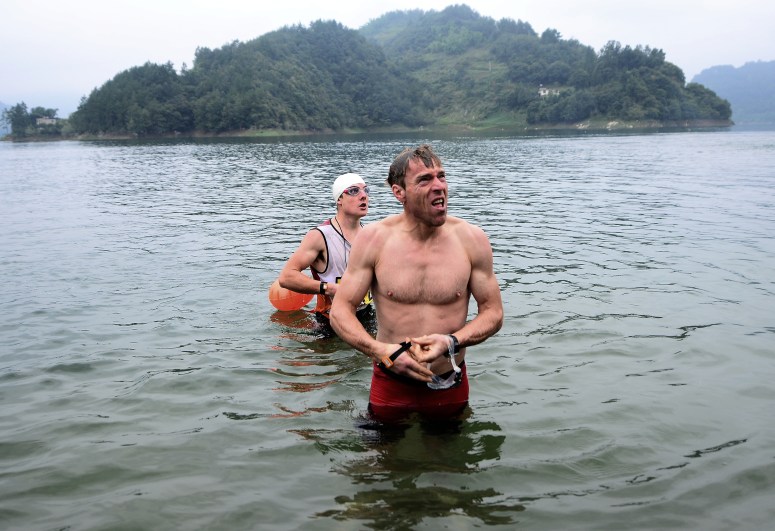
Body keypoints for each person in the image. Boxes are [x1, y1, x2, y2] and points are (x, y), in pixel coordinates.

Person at [330, 144, 503, 421]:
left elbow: (493, 313)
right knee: (384, 461)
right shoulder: (374, 240)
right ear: (399, 192)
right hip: (390, 379)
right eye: (425, 179)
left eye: (441, 176)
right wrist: (382, 351)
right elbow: (340, 311)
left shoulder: (472, 239)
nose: (439, 186)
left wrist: (452, 341)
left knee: (450, 461)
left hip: (448, 381)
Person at [278, 172, 373, 321]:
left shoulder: (370, 235)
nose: (363, 196)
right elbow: (286, 277)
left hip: (365, 313)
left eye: (366, 190)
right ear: (339, 199)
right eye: (354, 191)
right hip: (330, 321)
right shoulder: (320, 236)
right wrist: (329, 288)